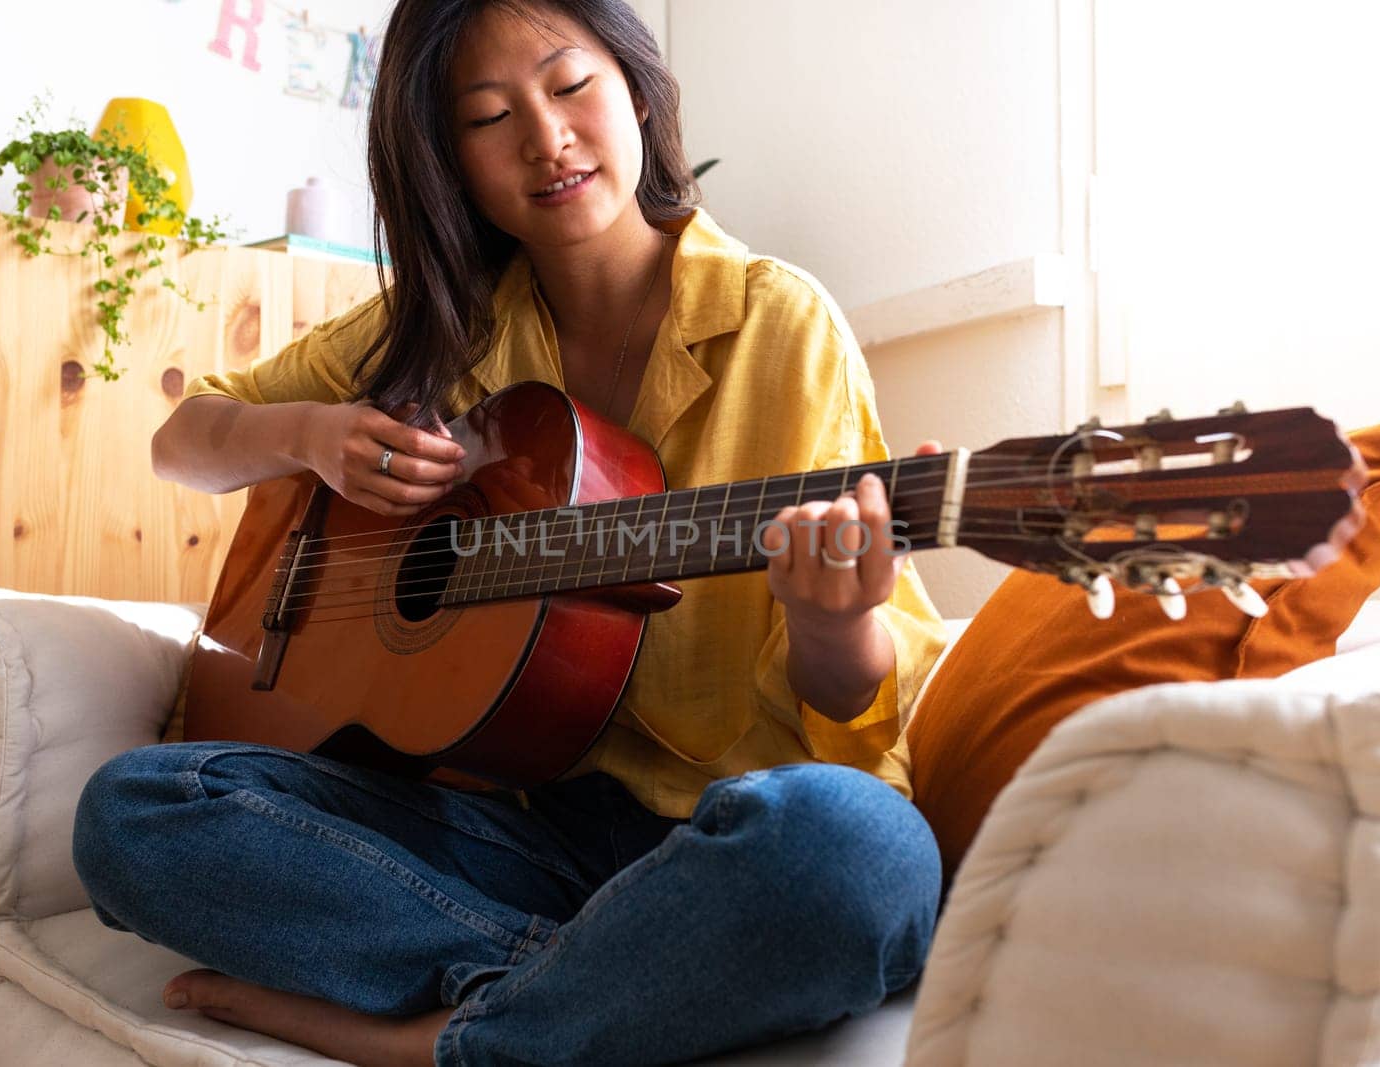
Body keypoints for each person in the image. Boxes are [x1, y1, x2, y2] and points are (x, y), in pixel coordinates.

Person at [72, 1, 950, 1064]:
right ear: (446, 162)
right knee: (136, 809)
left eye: (572, 85)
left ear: (635, 87)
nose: (546, 137)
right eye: (489, 117)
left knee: (860, 854)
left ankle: (446, 1033)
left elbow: (856, 709)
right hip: (503, 830)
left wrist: (832, 621)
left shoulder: (782, 322)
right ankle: (598, 992)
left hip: (724, 830)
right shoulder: (443, 330)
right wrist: (308, 434)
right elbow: (184, 440)